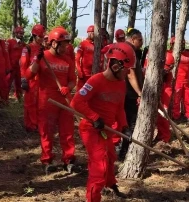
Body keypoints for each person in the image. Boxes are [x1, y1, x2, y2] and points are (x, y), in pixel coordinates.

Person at [70, 42, 135, 202]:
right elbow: (76, 102)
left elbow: (119, 108)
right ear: (116, 66)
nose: (128, 73)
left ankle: (111, 184)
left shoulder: (121, 84)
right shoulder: (95, 81)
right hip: (91, 129)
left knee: (111, 157)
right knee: (100, 166)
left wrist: (125, 126)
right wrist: (94, 117)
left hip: (107, 130)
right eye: (126, 69)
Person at [25, 27, 78, 174]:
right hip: (47, 101)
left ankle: (69, 160)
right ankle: (47, 160)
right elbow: (29, 74)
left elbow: (73, 80)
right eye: (63, 44)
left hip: (64, 100)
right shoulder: (43, 57)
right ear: (54, 43)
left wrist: (68, 87)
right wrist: (37, 60)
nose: (66, 47)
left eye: (67, 44)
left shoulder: (68, 59)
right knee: (46, 131)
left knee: (67, 132)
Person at [118, 28, 144, 161]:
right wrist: (140, 93)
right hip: (128, 93)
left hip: (121, 92)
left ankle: (121, 149)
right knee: (129, 123)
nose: (142, 42)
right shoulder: (129, 51)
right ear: (133, 39)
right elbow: (131, 74)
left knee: (123, 122)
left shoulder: (123, 49)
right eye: (140, 40)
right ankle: (124, 151)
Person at [20, 24, 46, 132]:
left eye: (42, 37)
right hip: (30, 80)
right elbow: (23, 64)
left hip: (41, 81)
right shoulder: (27, 48)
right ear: (34, 35)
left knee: (40, 103)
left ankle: (38, 124)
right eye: (39, 36)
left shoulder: (43, 49)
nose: (41, 39)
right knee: (29, 103)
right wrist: (23, 79)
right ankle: (30, 125)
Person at [170, 37, 189, 124]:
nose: (181, 45)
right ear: (172, 44)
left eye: (183, 43)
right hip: (176, 81)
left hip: (186, 81)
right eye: (179, 43)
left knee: (188, 100)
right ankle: (176, 117)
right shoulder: (171, 54)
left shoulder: (188, 54)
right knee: (176, 101)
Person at [7, 26, 26, 101]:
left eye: (22, 33)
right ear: (15, 33)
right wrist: (7, 66)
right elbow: (6, 54)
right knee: (8, 82)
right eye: (19, 33)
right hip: (11, 66)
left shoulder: (23, 44)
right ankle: (4, 98)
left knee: (19, 83)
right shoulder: (10, 42)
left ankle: (19, 97)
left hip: (19, 67)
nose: (21, 35)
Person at [75, 25, 95, 90]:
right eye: (91, 32)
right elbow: (77, 58)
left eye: (94, 32)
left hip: (93, 74)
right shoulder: (83, 44)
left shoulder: (97, 45)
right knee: (80, 91)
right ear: (88, 33)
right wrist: (79, 71)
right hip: (84, 74)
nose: (93, 34)